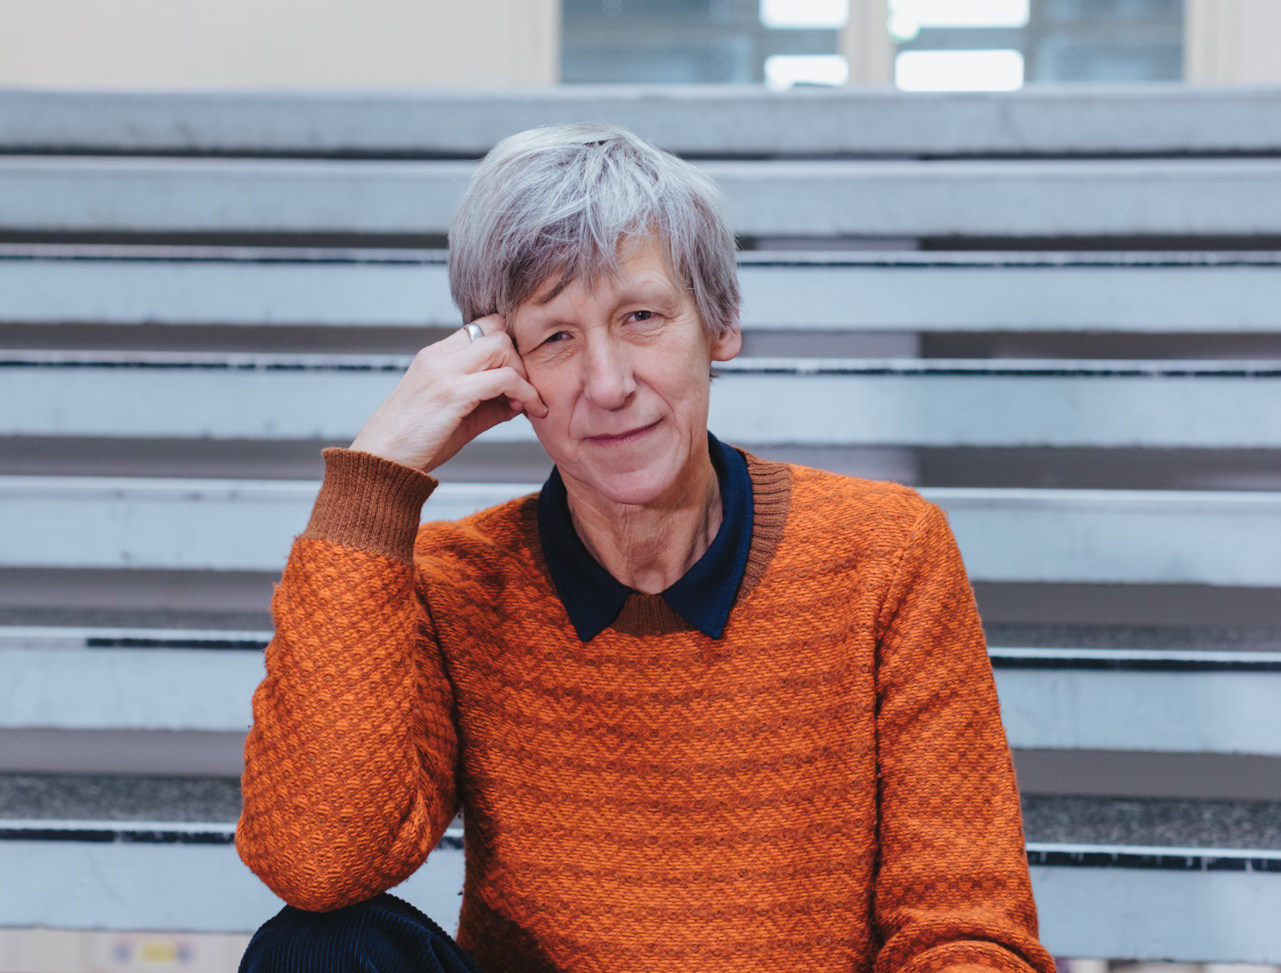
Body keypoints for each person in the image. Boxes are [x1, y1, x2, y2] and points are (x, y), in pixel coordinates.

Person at [236, 123, 1055, 973]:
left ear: (720, 322)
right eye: (554, 336)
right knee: (316, 948)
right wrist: (372, 483)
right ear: (502, 373)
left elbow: (967, 927)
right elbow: (317, 862)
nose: (608, 383)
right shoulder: (461, 581)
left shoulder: (883, 552)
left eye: (641, 317)